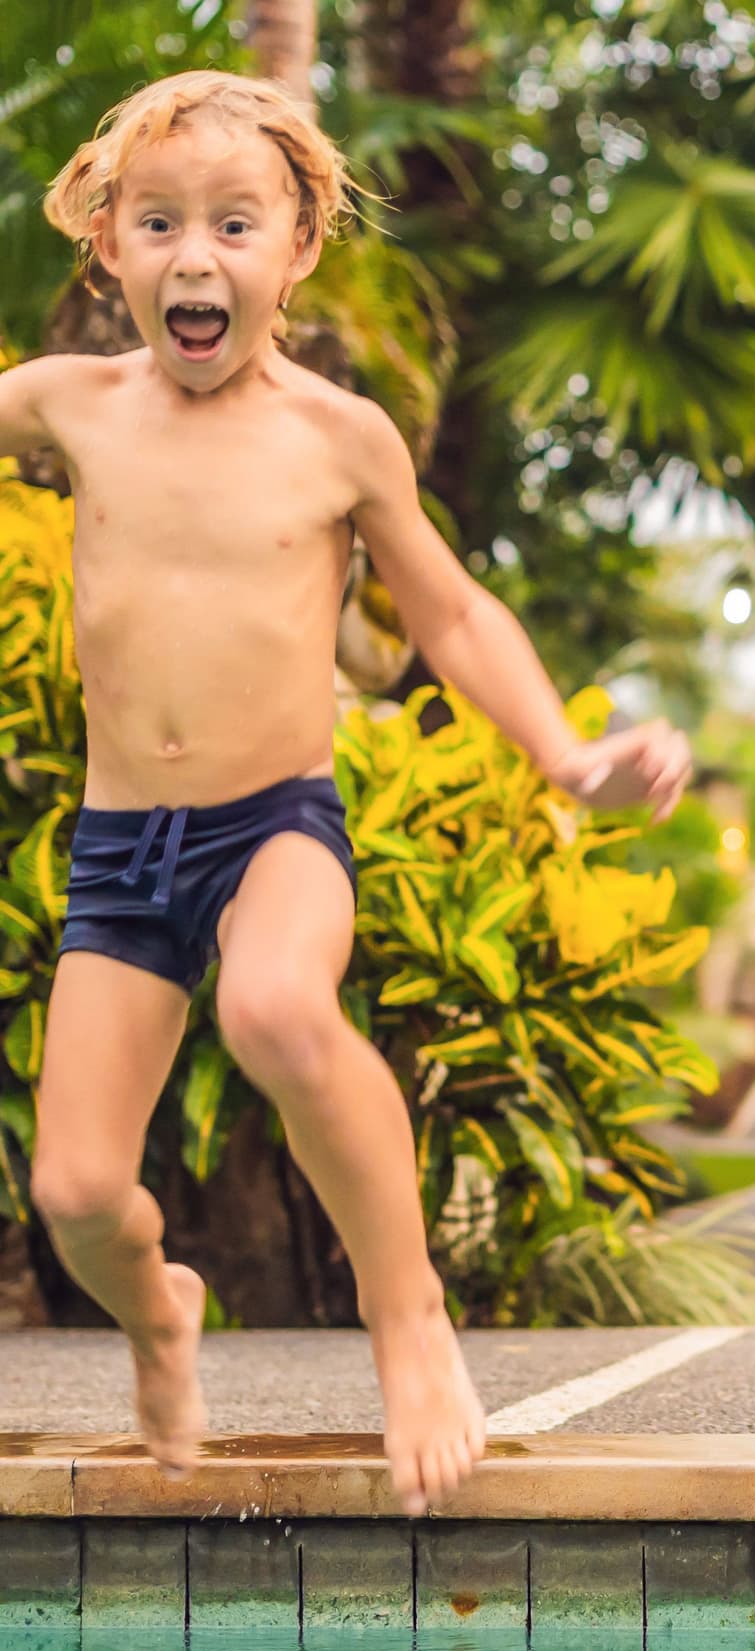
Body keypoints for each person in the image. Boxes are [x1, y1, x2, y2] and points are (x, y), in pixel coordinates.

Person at [0, 71, 693, 1515]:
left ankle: (409, 1317)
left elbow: (449, 617)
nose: (197, 257)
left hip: (276, 831)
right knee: (73, 1198)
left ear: (297, 247)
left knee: (272, 1008)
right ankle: (159, 1316)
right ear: (108, 246)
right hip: (124, 853)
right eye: (160, 224)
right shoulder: (68, 407)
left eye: (235, 225)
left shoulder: (339, 438)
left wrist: (569, 756)